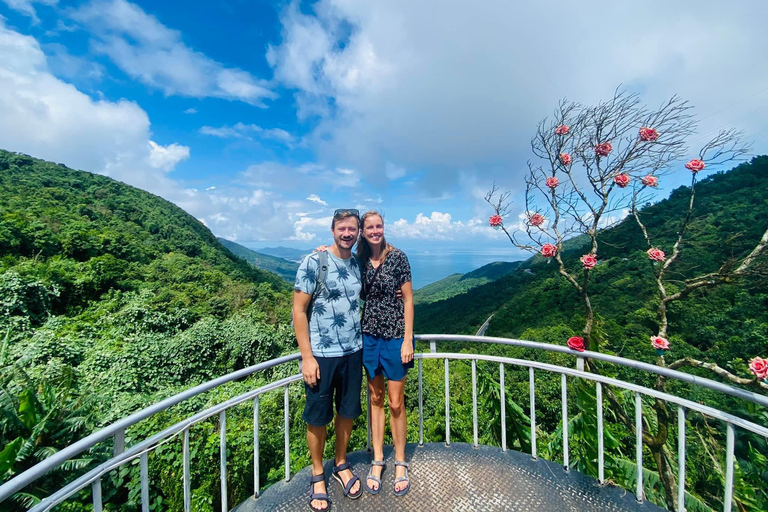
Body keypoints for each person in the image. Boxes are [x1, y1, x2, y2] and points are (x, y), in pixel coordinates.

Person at [293, 209, 364, 512]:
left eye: (352, 229)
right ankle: (318, 473)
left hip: (353, 351)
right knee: (318, 417)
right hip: (321, 356)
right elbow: (298, 310)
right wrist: (306, 357)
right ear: (332, 230)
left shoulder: (358, 264)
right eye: (342, 228)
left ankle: (341, 463)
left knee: (346, 413)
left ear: (358, 232)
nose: (347, 233)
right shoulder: (314, 262)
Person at [357, 210, 414, 497]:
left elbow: (409, 299)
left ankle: (400, 460)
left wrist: (408, 340)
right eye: (370, 227)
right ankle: (378, 459)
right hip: (369, 336)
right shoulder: (360, 260)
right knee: (375, 398)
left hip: (394, 337)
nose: (375, 231)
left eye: (379, 226)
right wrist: (321, 252)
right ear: (363, 232)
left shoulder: (398, 257)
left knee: (395, 402)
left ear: (383, 228)